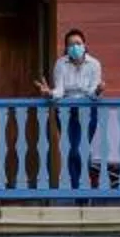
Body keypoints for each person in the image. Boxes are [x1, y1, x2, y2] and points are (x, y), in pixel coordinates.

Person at [36, 30, 102, 190]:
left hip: (87, 110)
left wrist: (98, 90)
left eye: (78, 43)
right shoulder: (61, 63)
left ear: (85, 45)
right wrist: (50, 92)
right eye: (71, 44)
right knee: (72, 150)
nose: (75, 47)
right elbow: (60, 91)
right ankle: (77, 190)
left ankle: (84, 190)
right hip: (66, 111)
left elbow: (93, 93)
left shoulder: (94, 64)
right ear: (66, 48)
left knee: (81, 149)